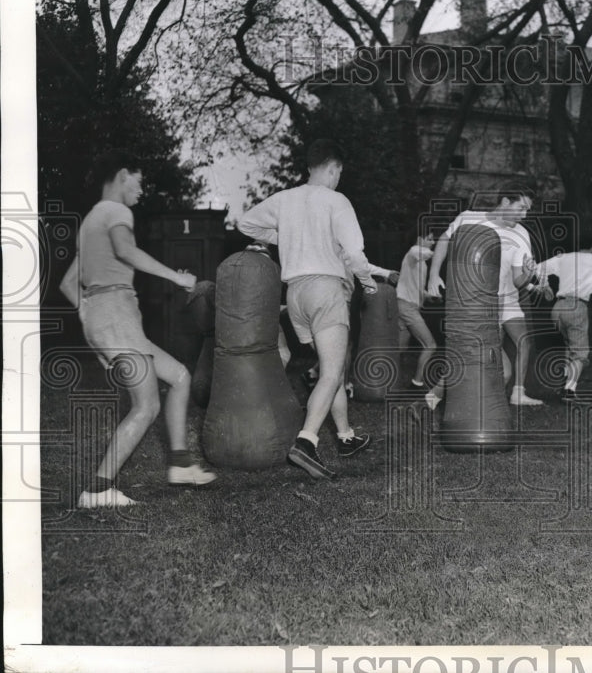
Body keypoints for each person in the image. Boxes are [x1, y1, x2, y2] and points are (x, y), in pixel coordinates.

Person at [59, 150, 216, 508]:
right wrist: (177, 277)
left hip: (109, 317)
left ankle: (179, 465)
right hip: (116, 314)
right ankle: (97, 491)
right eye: (140, 181)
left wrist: (91, 322)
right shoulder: (116, 212)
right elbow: (126, 252)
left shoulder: (90, 222)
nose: (142, 190)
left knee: (178, 376)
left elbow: (70, 283)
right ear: (122, 175)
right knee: (145, 406)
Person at [237, 139, 380, 480]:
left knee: (331, 368)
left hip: (296, 294)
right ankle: (306, 442)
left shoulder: (285, 199)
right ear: (333, 169)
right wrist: (368, 282)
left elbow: (245, 224)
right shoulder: (336, 200)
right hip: (325, 290)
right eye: (339, 173)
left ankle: (345, 437)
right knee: (331, 372)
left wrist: (286, 237)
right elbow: (356, 253)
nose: (338, 179)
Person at [425, 183, 543, 408]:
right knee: (476, 355)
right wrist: (433, 275)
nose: (524, 215)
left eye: (527, 210)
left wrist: (528, 275)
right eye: (521, 208)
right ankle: (437, 396)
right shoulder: (469, 218)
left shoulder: (521, 233)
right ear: (505, 202)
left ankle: (498, 398)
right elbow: (444, 240)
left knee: (508, 357)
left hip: (506, 299)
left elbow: (519, 280)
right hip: (474, 303)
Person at [534, 231, 592, 400]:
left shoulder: (565, 257)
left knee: (569, 345)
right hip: (576, 306)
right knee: (580, 352)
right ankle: (570, 389)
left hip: (558, 307)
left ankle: (566, 376)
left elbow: (538, 268)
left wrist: (545, 286)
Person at [396, 231, 438, 388]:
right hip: (407, 308)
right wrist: (440, 251)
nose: (432, 242)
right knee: (430, 345)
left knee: (400, 348)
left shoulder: (421, 263)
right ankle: (417, 383)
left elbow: (418, 289)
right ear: (420, 239)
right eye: (430, 239)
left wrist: (429, 296)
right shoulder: (413, 253)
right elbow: (418, 251)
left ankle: (386, 383)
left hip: (405, 305)